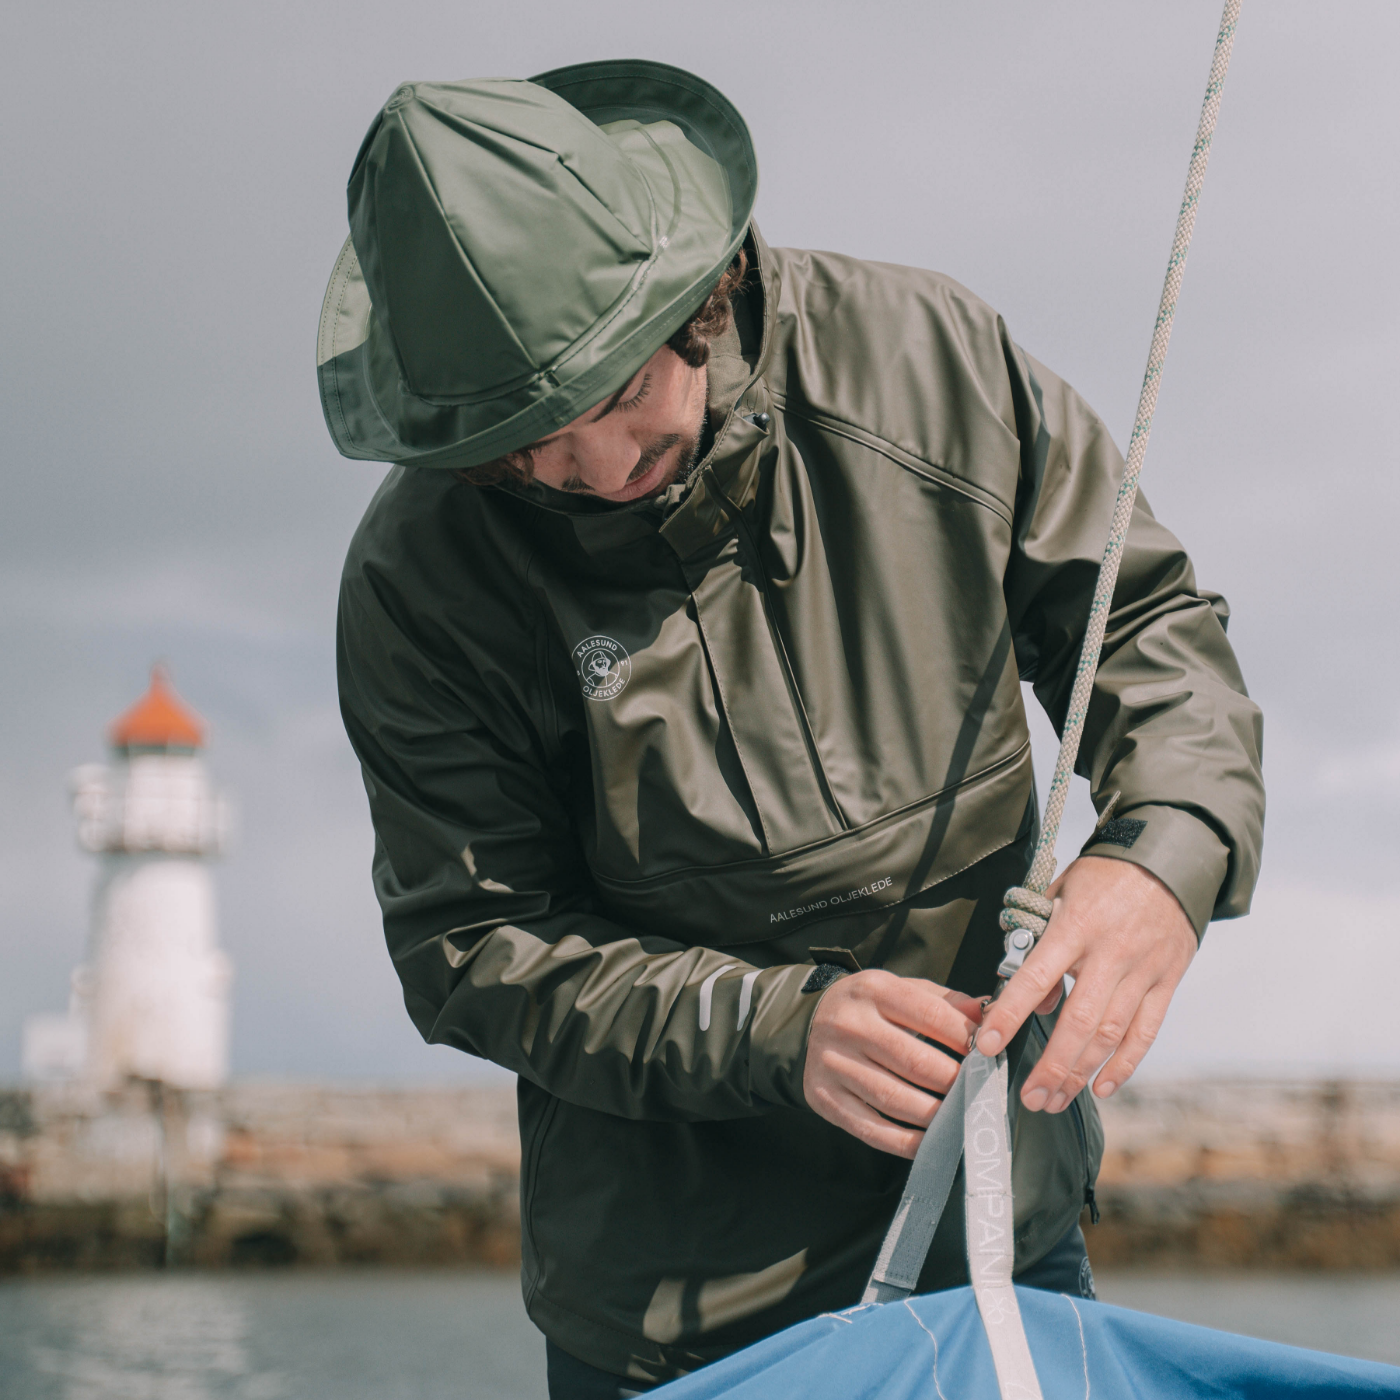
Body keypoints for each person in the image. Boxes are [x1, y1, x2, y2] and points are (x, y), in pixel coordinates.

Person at [321, 61, 1264, 1398]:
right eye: (514, 444)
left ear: (685, 294)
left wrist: (1170, 854)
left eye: (600, 400)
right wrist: (779, 1030)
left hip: (995, 1249)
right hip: (664, 1325)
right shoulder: (416, 583)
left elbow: (1155, 633)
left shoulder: (933, 360)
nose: (581, 471)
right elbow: (471, 945)